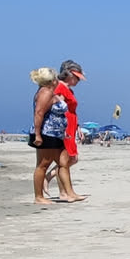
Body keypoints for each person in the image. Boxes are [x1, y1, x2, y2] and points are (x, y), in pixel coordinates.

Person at [29, 63, 85, 205]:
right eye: (54, 78)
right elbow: (39, 113)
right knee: (43, 165)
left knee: (63, 163)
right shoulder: (45, 93)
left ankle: (70, 193)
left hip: (56, 133)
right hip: (46, 133)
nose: (57, 80)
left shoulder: (51, 92)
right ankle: (39, 196)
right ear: (51, 80)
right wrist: (38, 135)